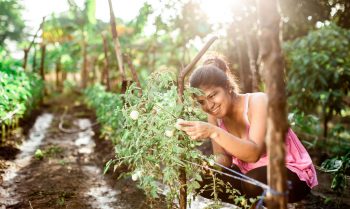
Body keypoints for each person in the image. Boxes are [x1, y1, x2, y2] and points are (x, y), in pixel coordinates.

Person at [177, 55, 318, 204]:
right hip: (249, 175)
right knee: (203, 183)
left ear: (227, 86)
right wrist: (209, 164)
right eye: (201, 102)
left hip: (290, 172)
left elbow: (253, 154)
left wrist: (213, 131)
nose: (209, 105)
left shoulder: (258, 101)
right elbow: (223, 159)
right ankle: (252, 205)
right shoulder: (214, 116)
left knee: (253, 183)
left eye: (213, 95)